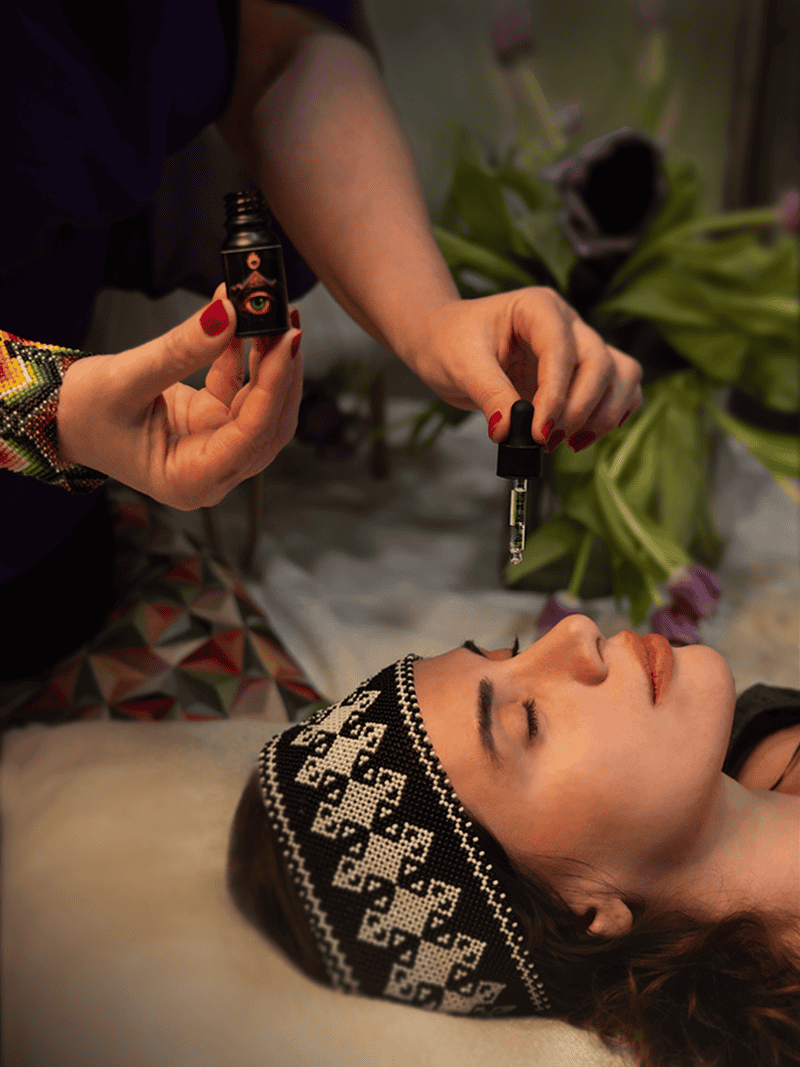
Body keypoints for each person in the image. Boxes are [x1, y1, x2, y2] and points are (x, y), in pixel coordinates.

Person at [1, 0, 642, 688]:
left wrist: (429, 317)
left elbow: (273, 51)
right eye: (525, 719)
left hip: (48, 563)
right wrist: (37, 409)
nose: (577, 630)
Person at [227, 615, 800, 1067]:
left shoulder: (768, 721)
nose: (575, 632)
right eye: (528, 720)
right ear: (579, 912)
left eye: (515, 651)